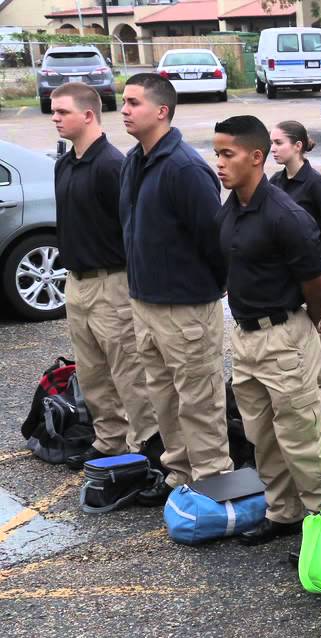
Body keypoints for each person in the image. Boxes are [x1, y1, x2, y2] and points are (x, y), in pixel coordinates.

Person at [212, 115, 321, 545]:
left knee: (301, 436)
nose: (220, 163)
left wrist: (308, 324)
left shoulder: (286, 215)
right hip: (245, 337)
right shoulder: (231, 210)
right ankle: (284, 512)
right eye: (217, 154)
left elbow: (318, 286)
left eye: (228, 154)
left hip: (284, 334)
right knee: (260, 435)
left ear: (257, 157)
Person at [118, 73, 232, 506]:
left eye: (133, 103)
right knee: (163, 398)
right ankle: (178, 476)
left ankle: (212, 484)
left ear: (161, 111)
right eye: (123, 102)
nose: (125, 110)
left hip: (185, 307)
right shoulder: (134, 160)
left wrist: (210, 288)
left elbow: (214, 239)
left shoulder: (185, 168)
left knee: (199, 402)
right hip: (145, 302)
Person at [50, 82, 159, 471]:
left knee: (129, 372)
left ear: (88, 115)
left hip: (112, 281)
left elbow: (134, 227)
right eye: (54, 111)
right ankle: (108, 441)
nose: (55, 118)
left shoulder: (114, 165)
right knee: (92, 372)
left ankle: (144, 449)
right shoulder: (65, 163)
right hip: (76, 283)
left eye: (63, 111)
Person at [268, 120, 321, 437]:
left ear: (298, 145)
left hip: (314, 270)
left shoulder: (315, 184)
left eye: (279, 143)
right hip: (287, 274)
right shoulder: (275, 182)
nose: (273, 149)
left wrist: (320, 260)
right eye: (271, 143)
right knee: (296, 340)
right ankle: (306, 402)